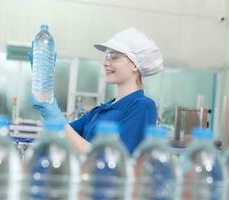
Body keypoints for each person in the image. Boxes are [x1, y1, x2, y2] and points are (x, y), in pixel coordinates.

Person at [29, 27, 164, 154]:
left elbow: (114, 160)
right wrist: (45, 86)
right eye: (106, 56)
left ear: (135, 65)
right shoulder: (102, 110)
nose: (105, 62)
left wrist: (55, 115)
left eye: (114, 57)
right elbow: (64, 135)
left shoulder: (142, 106)